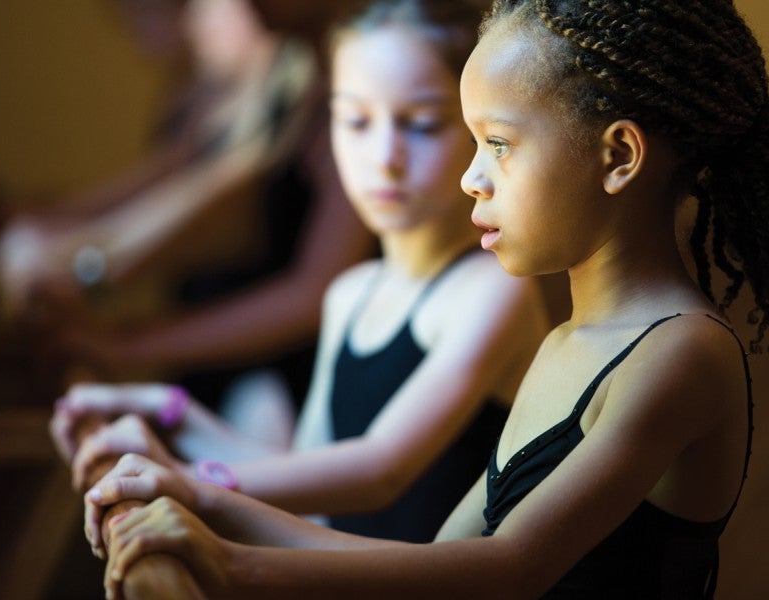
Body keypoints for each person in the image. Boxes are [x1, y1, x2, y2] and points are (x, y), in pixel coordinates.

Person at [80, 0, 769, 598]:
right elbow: (443, 556)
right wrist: (201, 501)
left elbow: (512, 567)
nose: (471, 178)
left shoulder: (683, 353)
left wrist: (229, 558)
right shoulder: (564, 345)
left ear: (617, 156)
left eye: (497, 143)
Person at [54, 0, 549, 547]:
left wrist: (193, 482)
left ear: (480, 134)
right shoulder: (349, 295)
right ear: (322, 140)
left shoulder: (490, 290)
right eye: (355, 121)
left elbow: (377, 470)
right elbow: (309, 475)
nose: (384, 155)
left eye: (422, 124)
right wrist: (166, 415)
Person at [0, 0, 375, 416]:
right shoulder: (291, 77)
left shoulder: (358, 80)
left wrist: (108, 305)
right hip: (234, 362)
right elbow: (199, 194)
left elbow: (311, 291)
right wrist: (83, 260)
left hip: (285, 382)